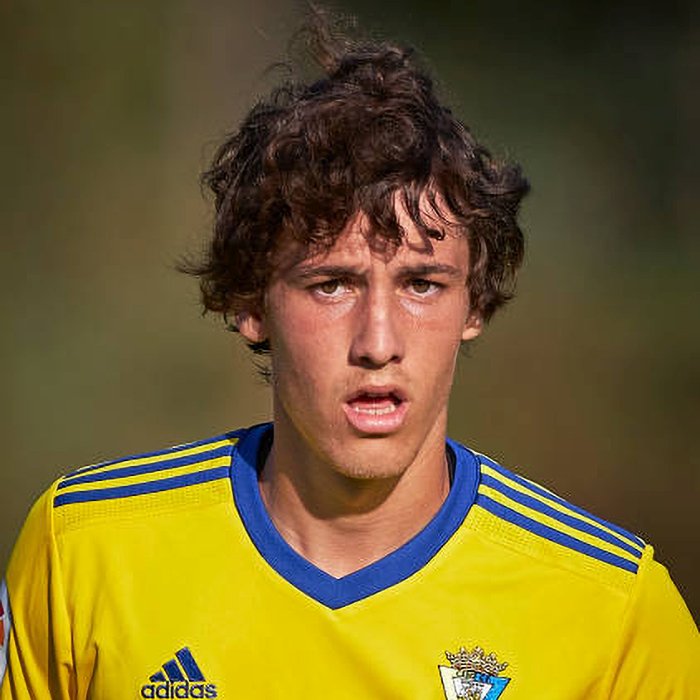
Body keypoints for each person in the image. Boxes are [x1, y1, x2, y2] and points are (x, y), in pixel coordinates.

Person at [1, 14, 697, 700]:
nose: (378, 343)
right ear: (249, 302)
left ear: (475, 304)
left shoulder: (613, 611)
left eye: (422, 284)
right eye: (332, 284)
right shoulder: (83, 552)